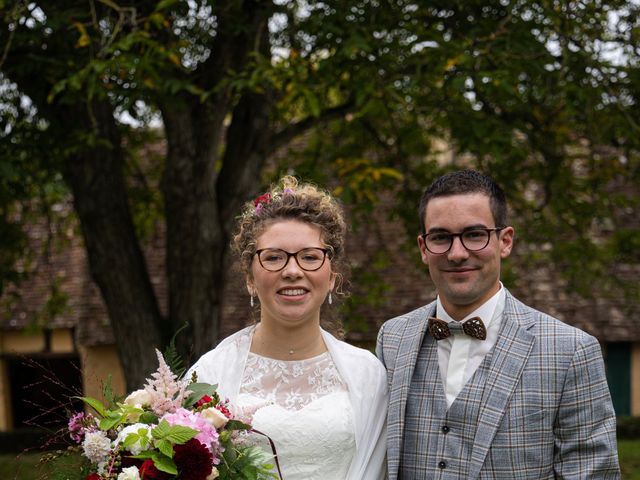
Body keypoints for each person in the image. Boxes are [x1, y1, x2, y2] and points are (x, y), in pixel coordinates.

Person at [376, 169, 620, 479]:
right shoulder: (393, 338)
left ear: (505, 241)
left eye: (474, 235)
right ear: (424, 248)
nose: (457, 253)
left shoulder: (571, 351)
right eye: (441, 238)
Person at [188, 176, 388, 480]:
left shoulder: (368, 375)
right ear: (250, 278)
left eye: (309, 257)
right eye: (274, 258)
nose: (292, 271)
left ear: (332, 275)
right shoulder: (210, 374)